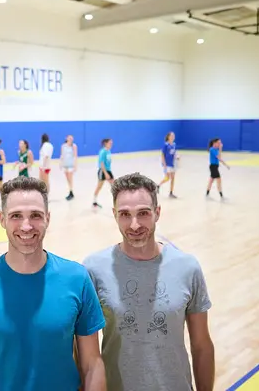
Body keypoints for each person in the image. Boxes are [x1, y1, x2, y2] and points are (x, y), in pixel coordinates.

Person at [0, 177, 107, 391]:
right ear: (2, 219)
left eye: (35, 215)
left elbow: (92, 364)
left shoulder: (76, 278)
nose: (26, 226)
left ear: (47, 219)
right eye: (16, 216)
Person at [82, 173, 215, 391]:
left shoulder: (188, 267)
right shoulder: (93, 269)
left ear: (157, 213)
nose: (134, 225)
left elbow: (201, 345)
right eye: (125, 214)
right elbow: (86, 355)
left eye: (143, 213)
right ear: (114, 215)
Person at [93, 138, 113, 208]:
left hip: (108, 170)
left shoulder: (108, 151)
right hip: (103, 171)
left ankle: (117, 202)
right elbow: (101, 163)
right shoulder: (102, 152)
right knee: (99, 187)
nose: (111, 144)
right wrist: (105, 173)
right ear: (105, 143)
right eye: (110, 143)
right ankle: (94, 201)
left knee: (114, 185)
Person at [158, 131, 179, 199]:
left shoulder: (174, 144)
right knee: (167, 178)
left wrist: (177, 157)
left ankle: (171, 192)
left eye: (174, 135)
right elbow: (162, 154)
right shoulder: (166, 145)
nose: (173, 137)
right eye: (172, 135)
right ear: (168, 137)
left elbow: (174, 153)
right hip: (167, 164)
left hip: (173, 164)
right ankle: (158, 186)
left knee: (173, 178)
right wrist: (164, 164)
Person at [60, 134, 78, 200]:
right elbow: (62, 155)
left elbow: (75, 156)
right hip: (65, 165)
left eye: (72, 139)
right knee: (67, 179)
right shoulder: (63, 146)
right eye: (69, 138)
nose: (71, 140)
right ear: (67, 138)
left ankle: (71, 192)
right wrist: (60, 164)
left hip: (71, 165)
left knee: (70, 178)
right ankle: (70, 190)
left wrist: (75, 166)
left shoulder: (74, 146)